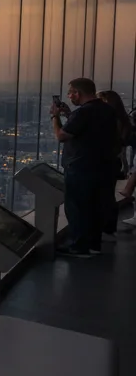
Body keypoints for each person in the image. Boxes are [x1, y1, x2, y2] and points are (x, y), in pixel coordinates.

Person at [50, 77, 117, 256]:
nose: (69, 96)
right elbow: (89, 129)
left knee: (77, 208)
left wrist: (55, 116)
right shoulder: (106, 110)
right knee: (94, 207)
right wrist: (69, 115)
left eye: (71, 92)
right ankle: (93, 245)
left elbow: (61, 135)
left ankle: (78, 246)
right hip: (101, 165)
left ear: (78, 93)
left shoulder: (83, 113)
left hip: (80, 166)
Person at [98, 91, 132, 234]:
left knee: (103, 197)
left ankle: (104, 227)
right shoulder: (124, 119)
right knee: (108, 196)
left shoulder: (112, 120)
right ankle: (108, 228)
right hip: (117, 161)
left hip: (108, 160)